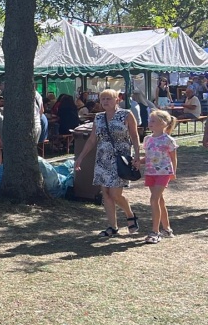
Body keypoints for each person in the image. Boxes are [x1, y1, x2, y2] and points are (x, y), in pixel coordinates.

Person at [74, 89, 141, 237]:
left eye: (108, 99)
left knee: (115, 193)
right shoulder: (98, 118)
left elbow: (135, 136)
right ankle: (112, 226)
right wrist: (81, 157)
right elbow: (92, 140)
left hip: (119, 159)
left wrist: (137, 155)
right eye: (102, 99)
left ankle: (130, 215)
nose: (105, 102)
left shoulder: (126, 114)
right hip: (102, 159)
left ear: (117, 99)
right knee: (106, 194)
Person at [140, 110, 178, 244]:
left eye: (153, 121)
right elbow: (149, 156)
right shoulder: (147, 139)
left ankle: (155, 232)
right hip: (150, 172)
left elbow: (173, 158)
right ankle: (167, 229)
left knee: (154, 199)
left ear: (163, 123)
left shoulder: (168, 140)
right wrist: (139, 161)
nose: (150, 123)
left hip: (163, 173)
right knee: (159, 200)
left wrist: (173, 172)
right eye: (150, 120)